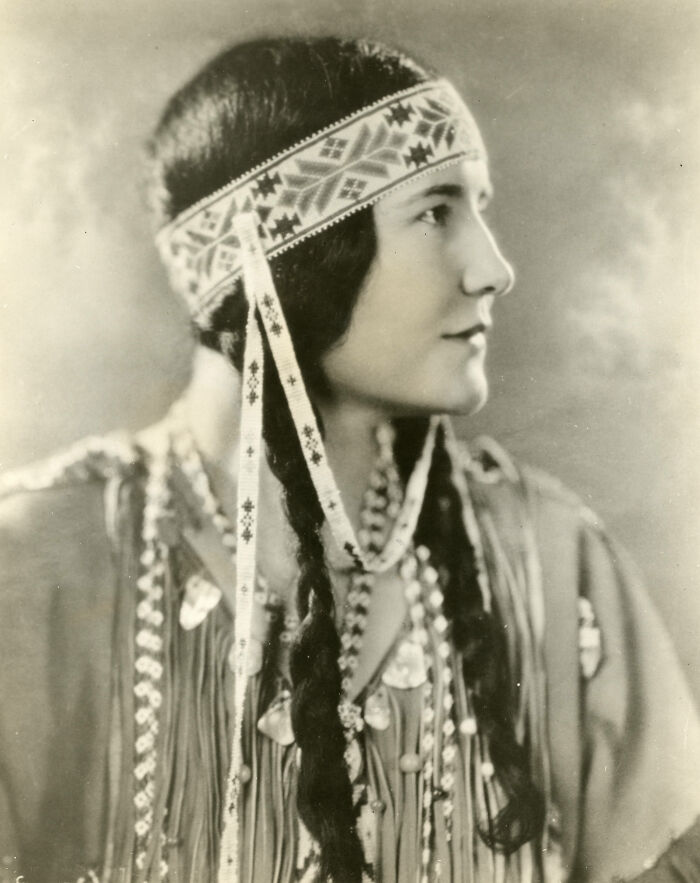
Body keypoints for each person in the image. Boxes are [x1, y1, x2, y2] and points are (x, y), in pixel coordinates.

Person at [0, 36, 699, 883]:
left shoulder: (553, 559)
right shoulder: (35, 567)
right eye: (437, 212)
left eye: (478, 207)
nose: (494, 267)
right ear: (284, 260)